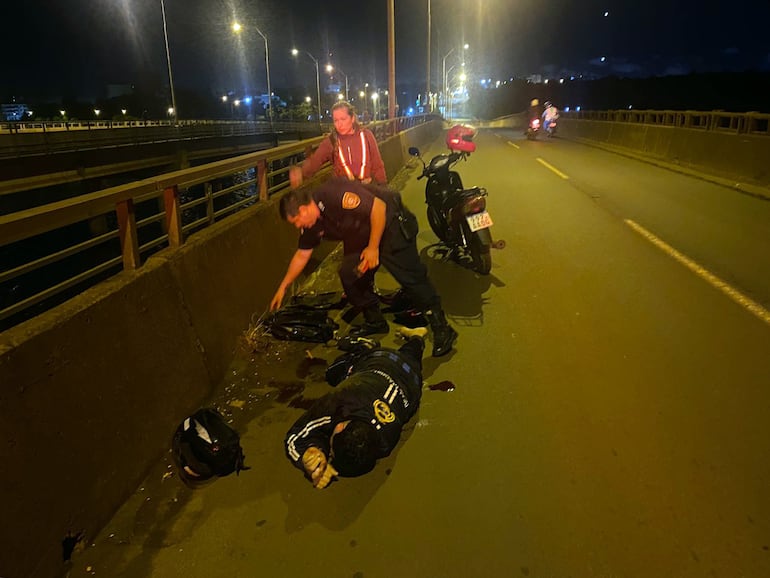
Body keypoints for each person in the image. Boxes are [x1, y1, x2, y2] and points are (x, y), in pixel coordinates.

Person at [269, 178, 458, 357]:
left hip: (390, 223)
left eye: (296, 222)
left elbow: (378, 208)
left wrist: (373, 248)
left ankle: (442, 327)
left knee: (410, 277)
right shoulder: (311, 224)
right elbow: (303, 253)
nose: (298, 226)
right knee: (350, 274)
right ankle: (374, 320)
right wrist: (283, 286)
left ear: (302, 210)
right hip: (361, 234)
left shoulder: (333, 193)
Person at [284, 327, 427, 489]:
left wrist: (309, 454)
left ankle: (416, 337)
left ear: (339, 425)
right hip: (382, 361)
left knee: (336, 372)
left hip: (411, 376)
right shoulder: (345, 398)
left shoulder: (385, 441)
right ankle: (370, 346)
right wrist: (316, 450)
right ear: (339, 426)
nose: (329, 453)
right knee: (336, 372)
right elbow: (298, 434)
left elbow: (296, 435)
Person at [289, 100, 387, 188]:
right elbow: (316, 160)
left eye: (343, 119)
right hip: (344, 193)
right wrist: (301, 173)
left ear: (352, 118)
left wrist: (383, 186)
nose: (339, 124)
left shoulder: (366, 136)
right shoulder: (331, 141)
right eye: (336, 120)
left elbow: (377, 164)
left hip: (367, 189)